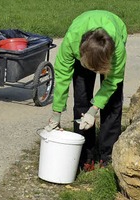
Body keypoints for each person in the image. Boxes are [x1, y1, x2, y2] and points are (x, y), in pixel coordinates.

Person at [45, 10, 127, 171]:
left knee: (112, 103)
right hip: (82, 47)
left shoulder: (117, 51)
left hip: (113, 41)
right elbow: (62, 78)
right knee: (81, 100)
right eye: (93, 68)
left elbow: (112, 82)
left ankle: (107, 157)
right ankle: (85, 156)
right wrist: (56, 113)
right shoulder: (71, 42)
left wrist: (94, 109)